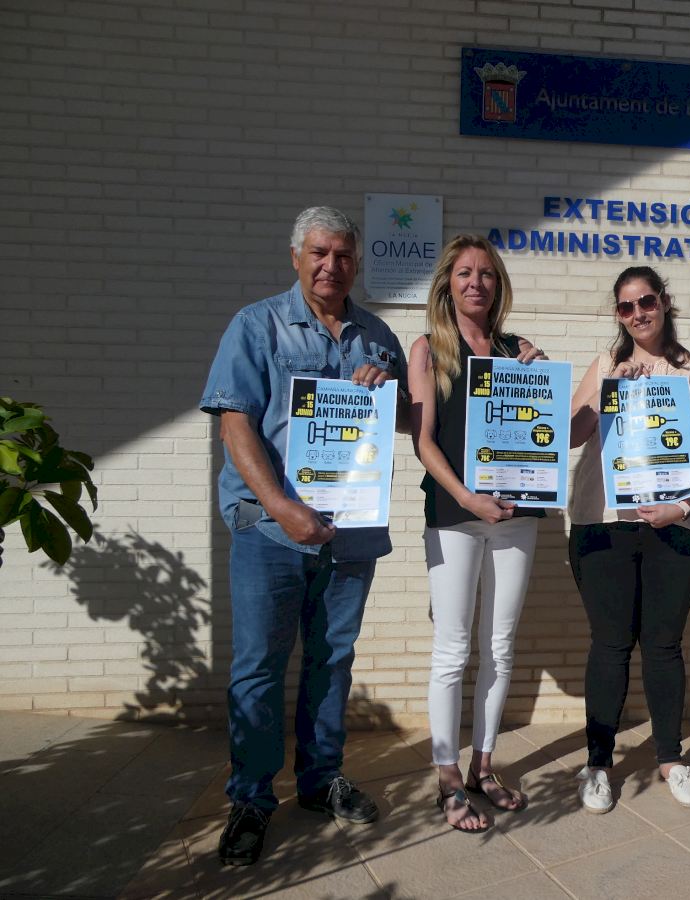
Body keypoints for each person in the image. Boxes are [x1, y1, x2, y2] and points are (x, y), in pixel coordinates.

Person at [200, 206, 405, 866]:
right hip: (271, 532)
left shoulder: (377, 336)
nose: (330, 266)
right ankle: (251, 799)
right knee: (259, 667)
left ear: (357, 263)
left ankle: (320, 780)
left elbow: (406, 418)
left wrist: (390, 392)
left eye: (343, 255)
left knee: (332, 660)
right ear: (296, 257)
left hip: (350, 534)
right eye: (318, 253)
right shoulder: (256, 325)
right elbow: (235, 424)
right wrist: (281, 506)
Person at [568, 267, 690, 813]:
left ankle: (671, 759)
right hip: (604, 523)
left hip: (677, 526)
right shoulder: (606, 364)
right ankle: (598, 763)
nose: (638, 313)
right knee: (609, 645)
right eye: (626, 306)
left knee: (663, 645)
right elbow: (571, 434)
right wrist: (609, 387)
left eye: (647, 301)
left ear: (664, 302)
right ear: (618, 314)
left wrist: (682, 505)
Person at [409, 235, 547, 833]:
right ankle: (446, 776)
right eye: (464, 273)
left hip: (516, 515)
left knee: (500, 646)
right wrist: (466, 496)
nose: (476, 283)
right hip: (454, 514)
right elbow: (423, 440)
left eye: (486, 273)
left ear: (499, 284)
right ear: (448, 282)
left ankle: (483, 768)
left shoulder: (518, 351)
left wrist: (540, 380)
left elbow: (543, 429)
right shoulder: (428, 349)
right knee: (452, 649)